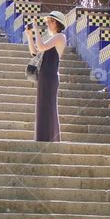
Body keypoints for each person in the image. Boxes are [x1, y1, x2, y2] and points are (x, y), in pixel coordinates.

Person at [26, 11, 67, 142]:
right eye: (48, 20)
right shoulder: (51, 39)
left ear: (58, 23)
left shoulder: (60, 37)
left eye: (51, 21)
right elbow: (34, 52)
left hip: (50, 76)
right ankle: (42, 138)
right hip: (43, 76)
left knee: (49, 107)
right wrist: (29, 35)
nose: (48, 23)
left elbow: (41, 46)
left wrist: (36, 29)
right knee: (42, 107)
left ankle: (51, 139)